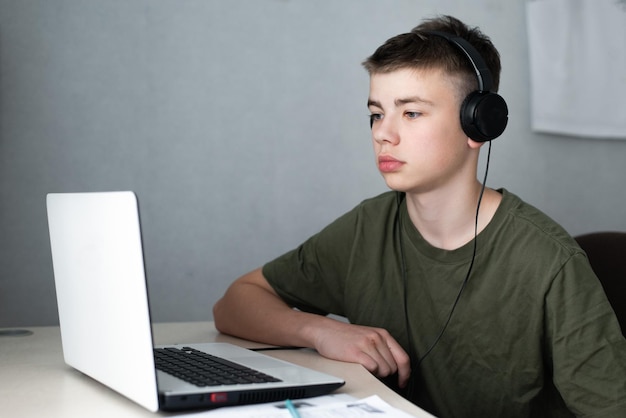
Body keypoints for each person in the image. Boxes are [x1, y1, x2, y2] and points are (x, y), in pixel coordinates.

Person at [213, 15, 626, 417]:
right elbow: (234, 303)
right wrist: (321, 330)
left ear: (478, 124)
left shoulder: (548, 262)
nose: (382, 133)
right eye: (377, 113)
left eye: (410, 113)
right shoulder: (366, 228)